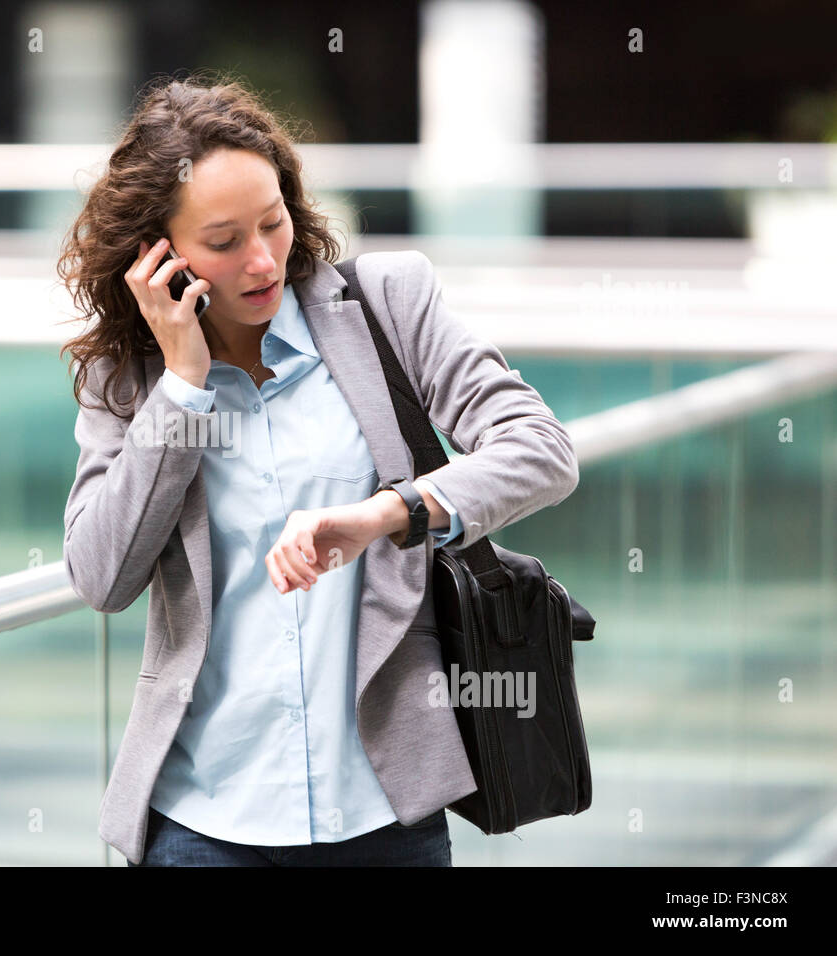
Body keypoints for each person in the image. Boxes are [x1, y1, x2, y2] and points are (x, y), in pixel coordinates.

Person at [57, 73, 579, 866]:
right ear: (156, 257)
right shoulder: (129, 382)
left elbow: (539, 450)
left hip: (384, 816)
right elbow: (102, 576)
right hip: (202, 825)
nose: (263, 261)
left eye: (273, 223)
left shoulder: (386, 303)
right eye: (224, 242)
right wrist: (183, 386)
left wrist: (389, 514)